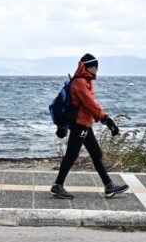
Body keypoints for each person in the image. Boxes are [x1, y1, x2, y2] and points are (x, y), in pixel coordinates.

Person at [50, 53, 129, 199]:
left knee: (96, 154)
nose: (97, 71)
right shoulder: (80, 82)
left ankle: (109, 185)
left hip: (85, 124)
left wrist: (104, 119)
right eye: (95, 67)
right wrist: (106, 119)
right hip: (80, 124)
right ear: (88, 67)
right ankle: (57, 185)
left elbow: (89, 105)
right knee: (72, 155)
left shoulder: (85, 81)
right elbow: (90, 103)